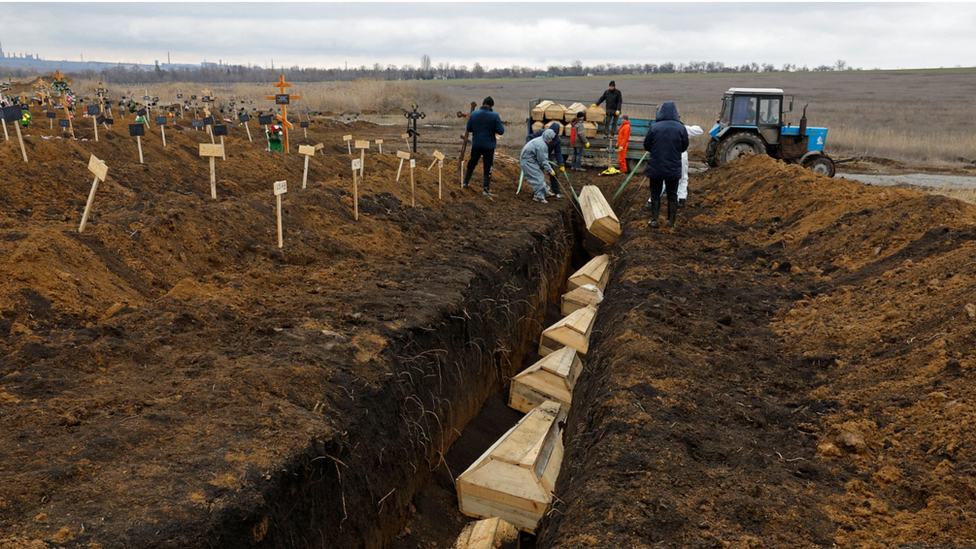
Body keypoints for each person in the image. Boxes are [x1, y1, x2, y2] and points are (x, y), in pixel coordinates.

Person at [642, 101, 689, 228]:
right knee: (672, 195)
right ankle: (671, 222)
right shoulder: (681, 128)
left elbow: (646, 145)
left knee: (655, 194)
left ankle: (655, 220)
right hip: (673, 167)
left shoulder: (655, 127)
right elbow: (684, 147)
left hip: (656, 167)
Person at [463, 96, 506, 196]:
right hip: (489, 146)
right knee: (488, 166)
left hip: (476, 144)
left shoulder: (474, 114)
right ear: (491, 106)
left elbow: (468, 128)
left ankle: (466, 182)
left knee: (472, 162)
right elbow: (501, 131)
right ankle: (486, 189)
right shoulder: (494, 116)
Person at [525, 122, 565, 198]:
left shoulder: (557, 140)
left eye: (556, 132)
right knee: (539, 174)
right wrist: (528, 147)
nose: (554, 134)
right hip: (537, 155)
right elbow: (529, 138)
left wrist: (561, 164)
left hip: (548, 156)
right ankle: (538, 192)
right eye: (553, 131)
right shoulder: (542, 133)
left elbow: (558, 152)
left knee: (553, 174)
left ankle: (556, 192)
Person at [521, 129, 558, 203]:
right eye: (550, 139)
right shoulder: (542, 145)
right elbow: (543, 161)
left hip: (531, 160)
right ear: (547, 137)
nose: (551, 141)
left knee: (540, 175)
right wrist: (550, 170)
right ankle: (538, 197)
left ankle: (545, 191)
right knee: (538, 178)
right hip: (528, 161)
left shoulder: (541, 140)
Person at [677, 124, 704, 207]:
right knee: (683, 178)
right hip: (681, 155)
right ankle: (681, 200)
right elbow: (700, 130)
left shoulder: (661, 128)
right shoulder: (683, 128)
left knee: (664, 179)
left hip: (666, 155)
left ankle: (652, 201)